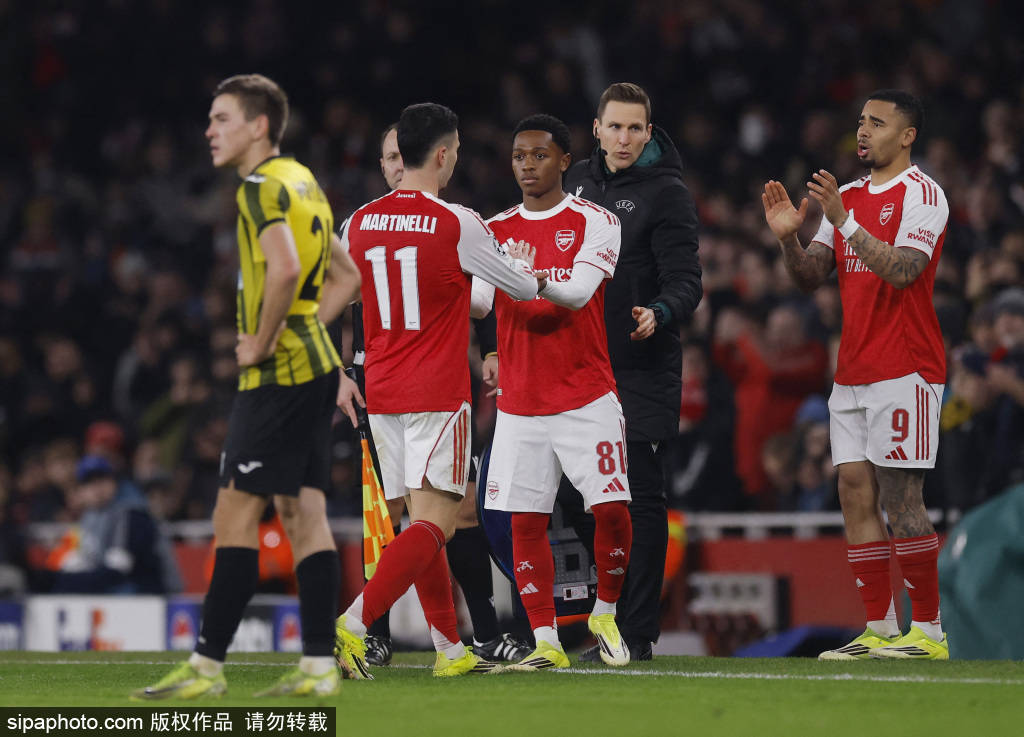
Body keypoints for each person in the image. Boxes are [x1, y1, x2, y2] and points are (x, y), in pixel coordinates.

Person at [136, 74, 362, 699]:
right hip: (317, 368)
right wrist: (305, 329)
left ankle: (206, 667)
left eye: (222, 119)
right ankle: (317, 667)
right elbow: (347, 276)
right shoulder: (302, 180)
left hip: (277, 376)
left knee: (233, 512)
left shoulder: (259, 187)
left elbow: (285, 268)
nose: (210, 131)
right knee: (304, 513)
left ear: (259, 126)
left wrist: (263, 342)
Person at [333, 102, 538, 679]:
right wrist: (518, 262)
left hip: (382, 390)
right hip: (438, 393)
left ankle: (450, 650)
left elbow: (343, 296)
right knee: (438, 523)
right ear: (443, 154)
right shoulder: (458, 222)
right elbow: (518, 289)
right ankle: (352, 623)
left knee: (416, 523)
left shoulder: (358, 222)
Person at [762, 89, 950, 660]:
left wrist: (843, 223)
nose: (863, 131)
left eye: (877, 122)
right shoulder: (847, 195)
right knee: (852, 491)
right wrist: (789, 238)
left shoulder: (923, 194)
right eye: (861, 121)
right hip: (852, 370)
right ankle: (880, 628)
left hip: (906, 366)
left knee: (901, 496)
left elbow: (904, 270)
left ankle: (930, 631)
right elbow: (811, 276)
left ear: (907, 136)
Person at [474, 114, 633, 669]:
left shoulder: (597, 221)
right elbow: (479, 303)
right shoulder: (491, 230)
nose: (528, 166)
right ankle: (545, 642)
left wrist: (527, 276)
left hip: (586, 395)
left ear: (565, 160)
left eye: (540, 155)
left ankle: (605, 614)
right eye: (519, 156)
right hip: (520, 403)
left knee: (611, 510)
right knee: (524, 521)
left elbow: (579, 292)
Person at [563, 82, 702, 661]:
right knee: (572, 495)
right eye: (615, 127)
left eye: (635, 128)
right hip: (578, 367)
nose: (624, 138)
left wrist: (659, 311)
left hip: (642, 369)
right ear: (596, 129)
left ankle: (635, 634)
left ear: (648, 132)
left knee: (639, 499)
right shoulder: (575, 183)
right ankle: (608, 614)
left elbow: (687, 281)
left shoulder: (668, 193)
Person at [50, 455, 182, 594]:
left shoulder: (132, 514)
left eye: (102, 479)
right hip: (118, 595)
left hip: (150, 596)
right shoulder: (87, 519)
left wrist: (67, 581)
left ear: (114, 483)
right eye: (89, 482)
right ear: (79, 491)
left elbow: (119, 571)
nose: (96, 487)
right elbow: (78, 561)